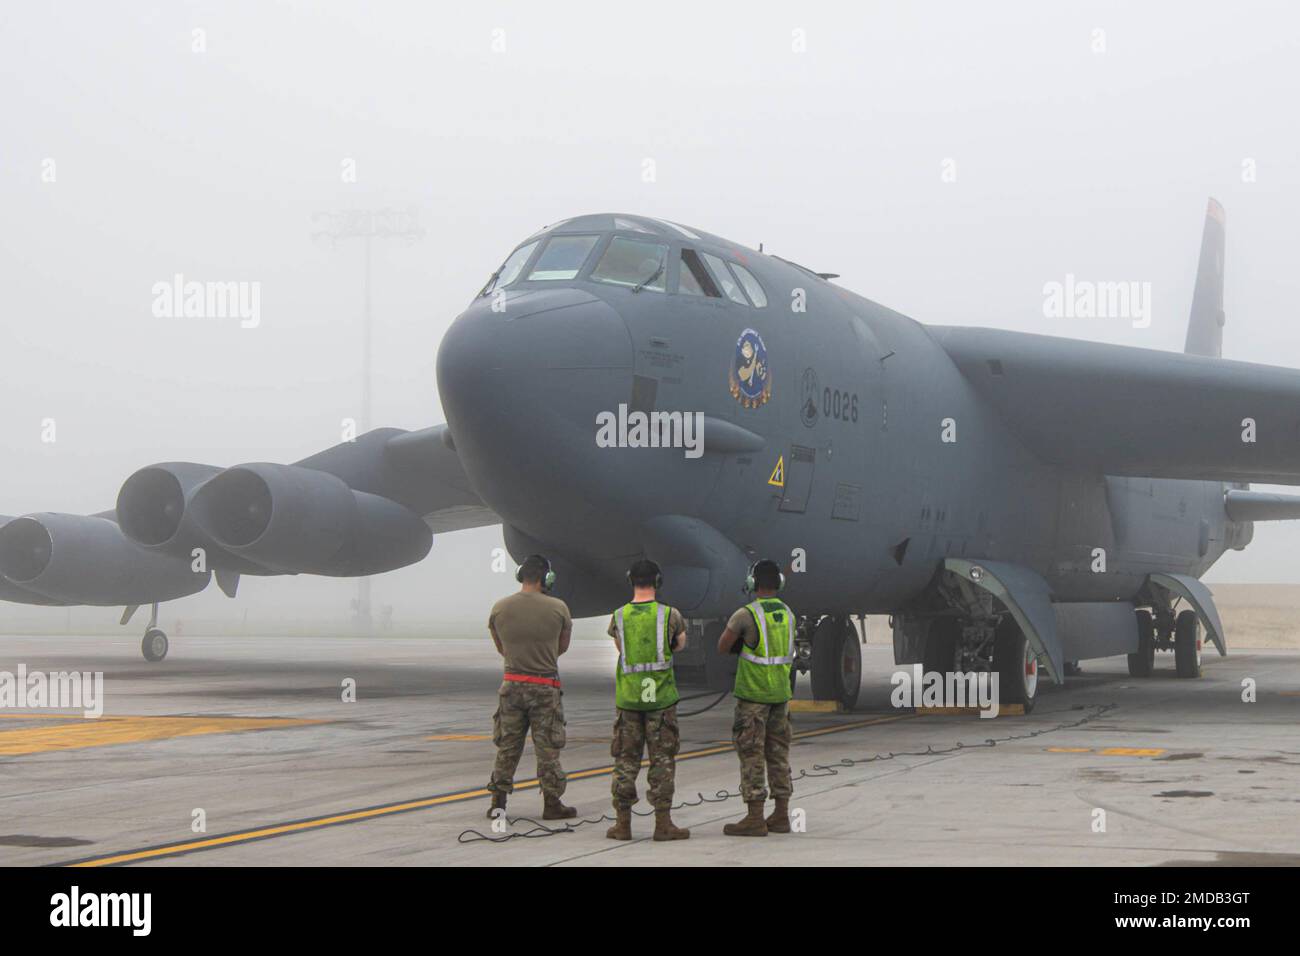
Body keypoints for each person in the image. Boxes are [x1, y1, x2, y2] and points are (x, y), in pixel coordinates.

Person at [484, 554, 577, 821]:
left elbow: (500, 647)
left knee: (507, 747)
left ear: (520, 575)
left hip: (511, 686)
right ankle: (551, 803)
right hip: (544, 686)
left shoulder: (500, 608)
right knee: (547, 748)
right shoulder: (559, 608)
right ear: (546, 578)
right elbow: (562, 647)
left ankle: (498, 804)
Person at [605, 558, 691, 842]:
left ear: (631, 581)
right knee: (662, 761)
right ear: (658, 581)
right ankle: (663, 824)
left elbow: (620, 648)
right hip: (661, 701)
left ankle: (622, 824)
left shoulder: (618, 616)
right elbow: (679, 645)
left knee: (625, 761)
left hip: (629, 700)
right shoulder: (671, 615)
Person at [716, 559, 795, 837]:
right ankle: (782, 815)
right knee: (779, 754)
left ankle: (754, 817)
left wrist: (741, 642)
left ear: (752, 583)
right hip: (780, 695)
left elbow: (723, 646)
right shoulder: (788, 614)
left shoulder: (745, 615)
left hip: (753, 697)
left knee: (751, 754)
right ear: (779, 584)